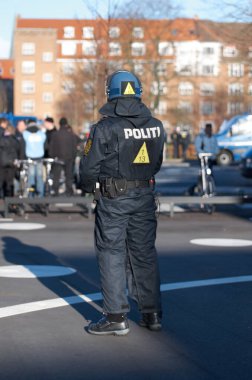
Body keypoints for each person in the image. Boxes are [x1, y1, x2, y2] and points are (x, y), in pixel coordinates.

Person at [79, 70, 165, 336]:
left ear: (110, 94)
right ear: (138, 92)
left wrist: (88, 189)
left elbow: (88, 168)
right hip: (145, 196)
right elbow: (157, 163)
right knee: (144, 253)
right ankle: (151, 314)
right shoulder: (157, 126)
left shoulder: (104, 128)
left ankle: (116, 316)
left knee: (112, 252)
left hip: (114, 197)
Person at [48, 117, 78, 196]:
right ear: (66, 124)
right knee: (68, 176)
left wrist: (53, 156)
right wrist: (73, 157)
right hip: (69, 158)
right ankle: (69, 191)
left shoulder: (55, 134)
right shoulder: (71, 135)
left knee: (56, 176)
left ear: (59, 124)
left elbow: (51, 147)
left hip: (58, 158)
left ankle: (55, 191)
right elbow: (74, 147)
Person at [23, 120, 46, 197]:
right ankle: (40, 195)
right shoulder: (41, 134)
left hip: (30, 158)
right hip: (39, 157)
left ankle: (31, 194)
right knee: (39, 177)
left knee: (31, 177)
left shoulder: (25, 134)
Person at [0, 124, 20, 198]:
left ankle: (1, 198)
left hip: (2, 163)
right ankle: (10, 199)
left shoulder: (1, 140)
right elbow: (19, 150)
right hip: (12, 163)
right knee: (10, 182)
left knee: (1, 181)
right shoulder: (15, 140)